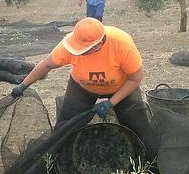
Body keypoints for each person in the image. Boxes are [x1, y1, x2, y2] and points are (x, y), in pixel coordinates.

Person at [10, 17, 158, 162]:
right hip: (82, 87)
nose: (78, 52)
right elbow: (46, 65)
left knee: (138, 124)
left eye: (83, 50)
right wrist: (23, 85)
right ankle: (59, 163)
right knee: (66, 125)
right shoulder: (70, 45)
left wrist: (111, 103)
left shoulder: (121, 44)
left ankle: (150, 163)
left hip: (122, 87)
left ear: (99, 44)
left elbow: (135, 79)